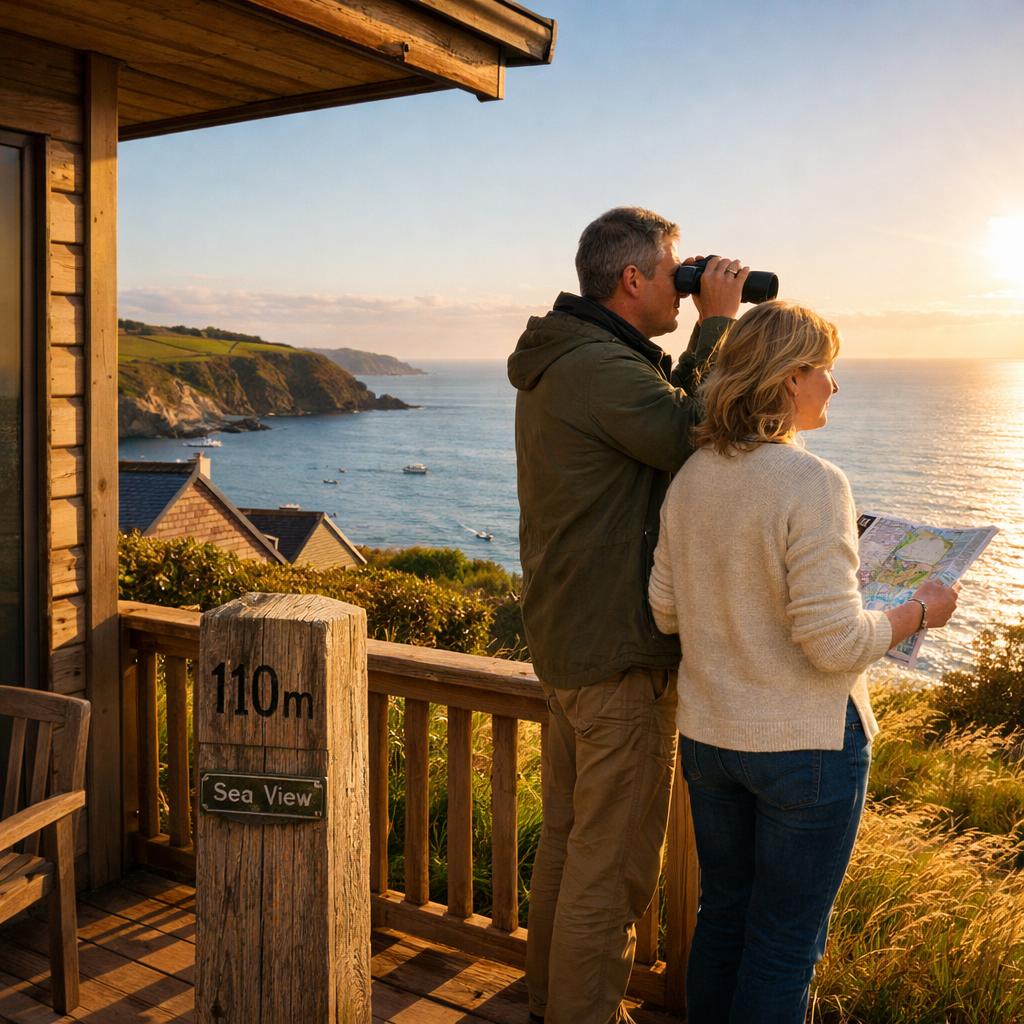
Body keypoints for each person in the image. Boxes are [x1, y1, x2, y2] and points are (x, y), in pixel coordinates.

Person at [648, 300, 960, 1023]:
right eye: (826, 369)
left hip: (711, 739)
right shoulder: (814, 483)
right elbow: (835, 645)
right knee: (785, 946)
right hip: (806, 748)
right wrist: (919, 613)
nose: (834, 386)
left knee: (724, 919)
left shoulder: (692, 476)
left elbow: (666, 611)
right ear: (790, 379)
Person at [507, 206, 748, 1024]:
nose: (686, 289)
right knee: (610, 873)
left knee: (573, 849)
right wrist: (717, 327)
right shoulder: (598, 367)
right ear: (633, 278)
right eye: (677, 273)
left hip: (573, 645)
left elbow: (659, 417)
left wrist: (697, 335)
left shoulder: (575, 357)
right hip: (618, 655)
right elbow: (691, 430)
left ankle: (551, 1005)